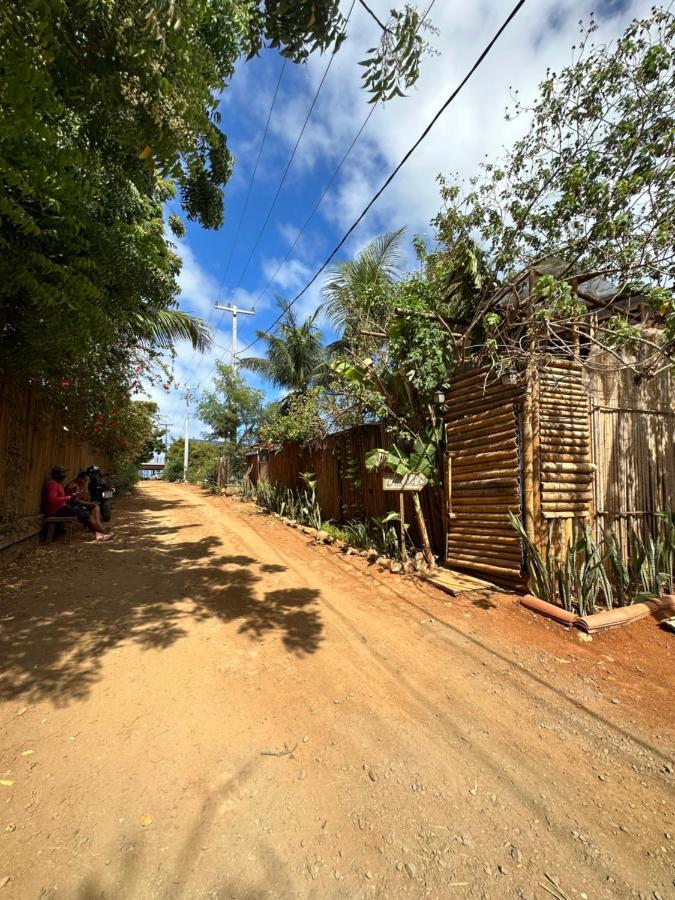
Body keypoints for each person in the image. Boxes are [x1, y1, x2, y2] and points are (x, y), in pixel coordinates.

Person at [43, 466, 113, 542]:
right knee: (86, 515)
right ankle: (102, 533)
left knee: (86, 514)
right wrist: (69, 497)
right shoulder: (52, 484)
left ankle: (100, 534)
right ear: (56, 474)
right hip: (57, 511)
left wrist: (71, 496)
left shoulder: (59, 484)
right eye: (63, 473)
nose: (65, 474)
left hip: (63, 508)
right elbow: (52, 499)